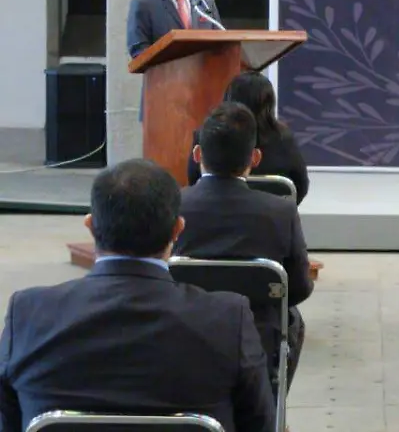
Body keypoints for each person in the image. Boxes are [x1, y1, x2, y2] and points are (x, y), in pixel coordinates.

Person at [0, 159, 274, 432]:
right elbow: (260, 424)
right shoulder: (227, 320)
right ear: (178, 229)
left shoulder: (27, 315)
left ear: (91, 226)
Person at [174, 102, 314, 396]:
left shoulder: (173, 206)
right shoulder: (280, 211)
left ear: (197, 154)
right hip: (256, 337)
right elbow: (299, 287)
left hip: (185, 330)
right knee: (292, 321)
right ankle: (269, 407)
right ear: (255, 157)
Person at [187, 72, 310, 204]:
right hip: (269, 214)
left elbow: (194, 181)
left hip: (212, 211)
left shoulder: (207, 133)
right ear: (269, 105)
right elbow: (300, 187)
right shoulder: (284, 140)